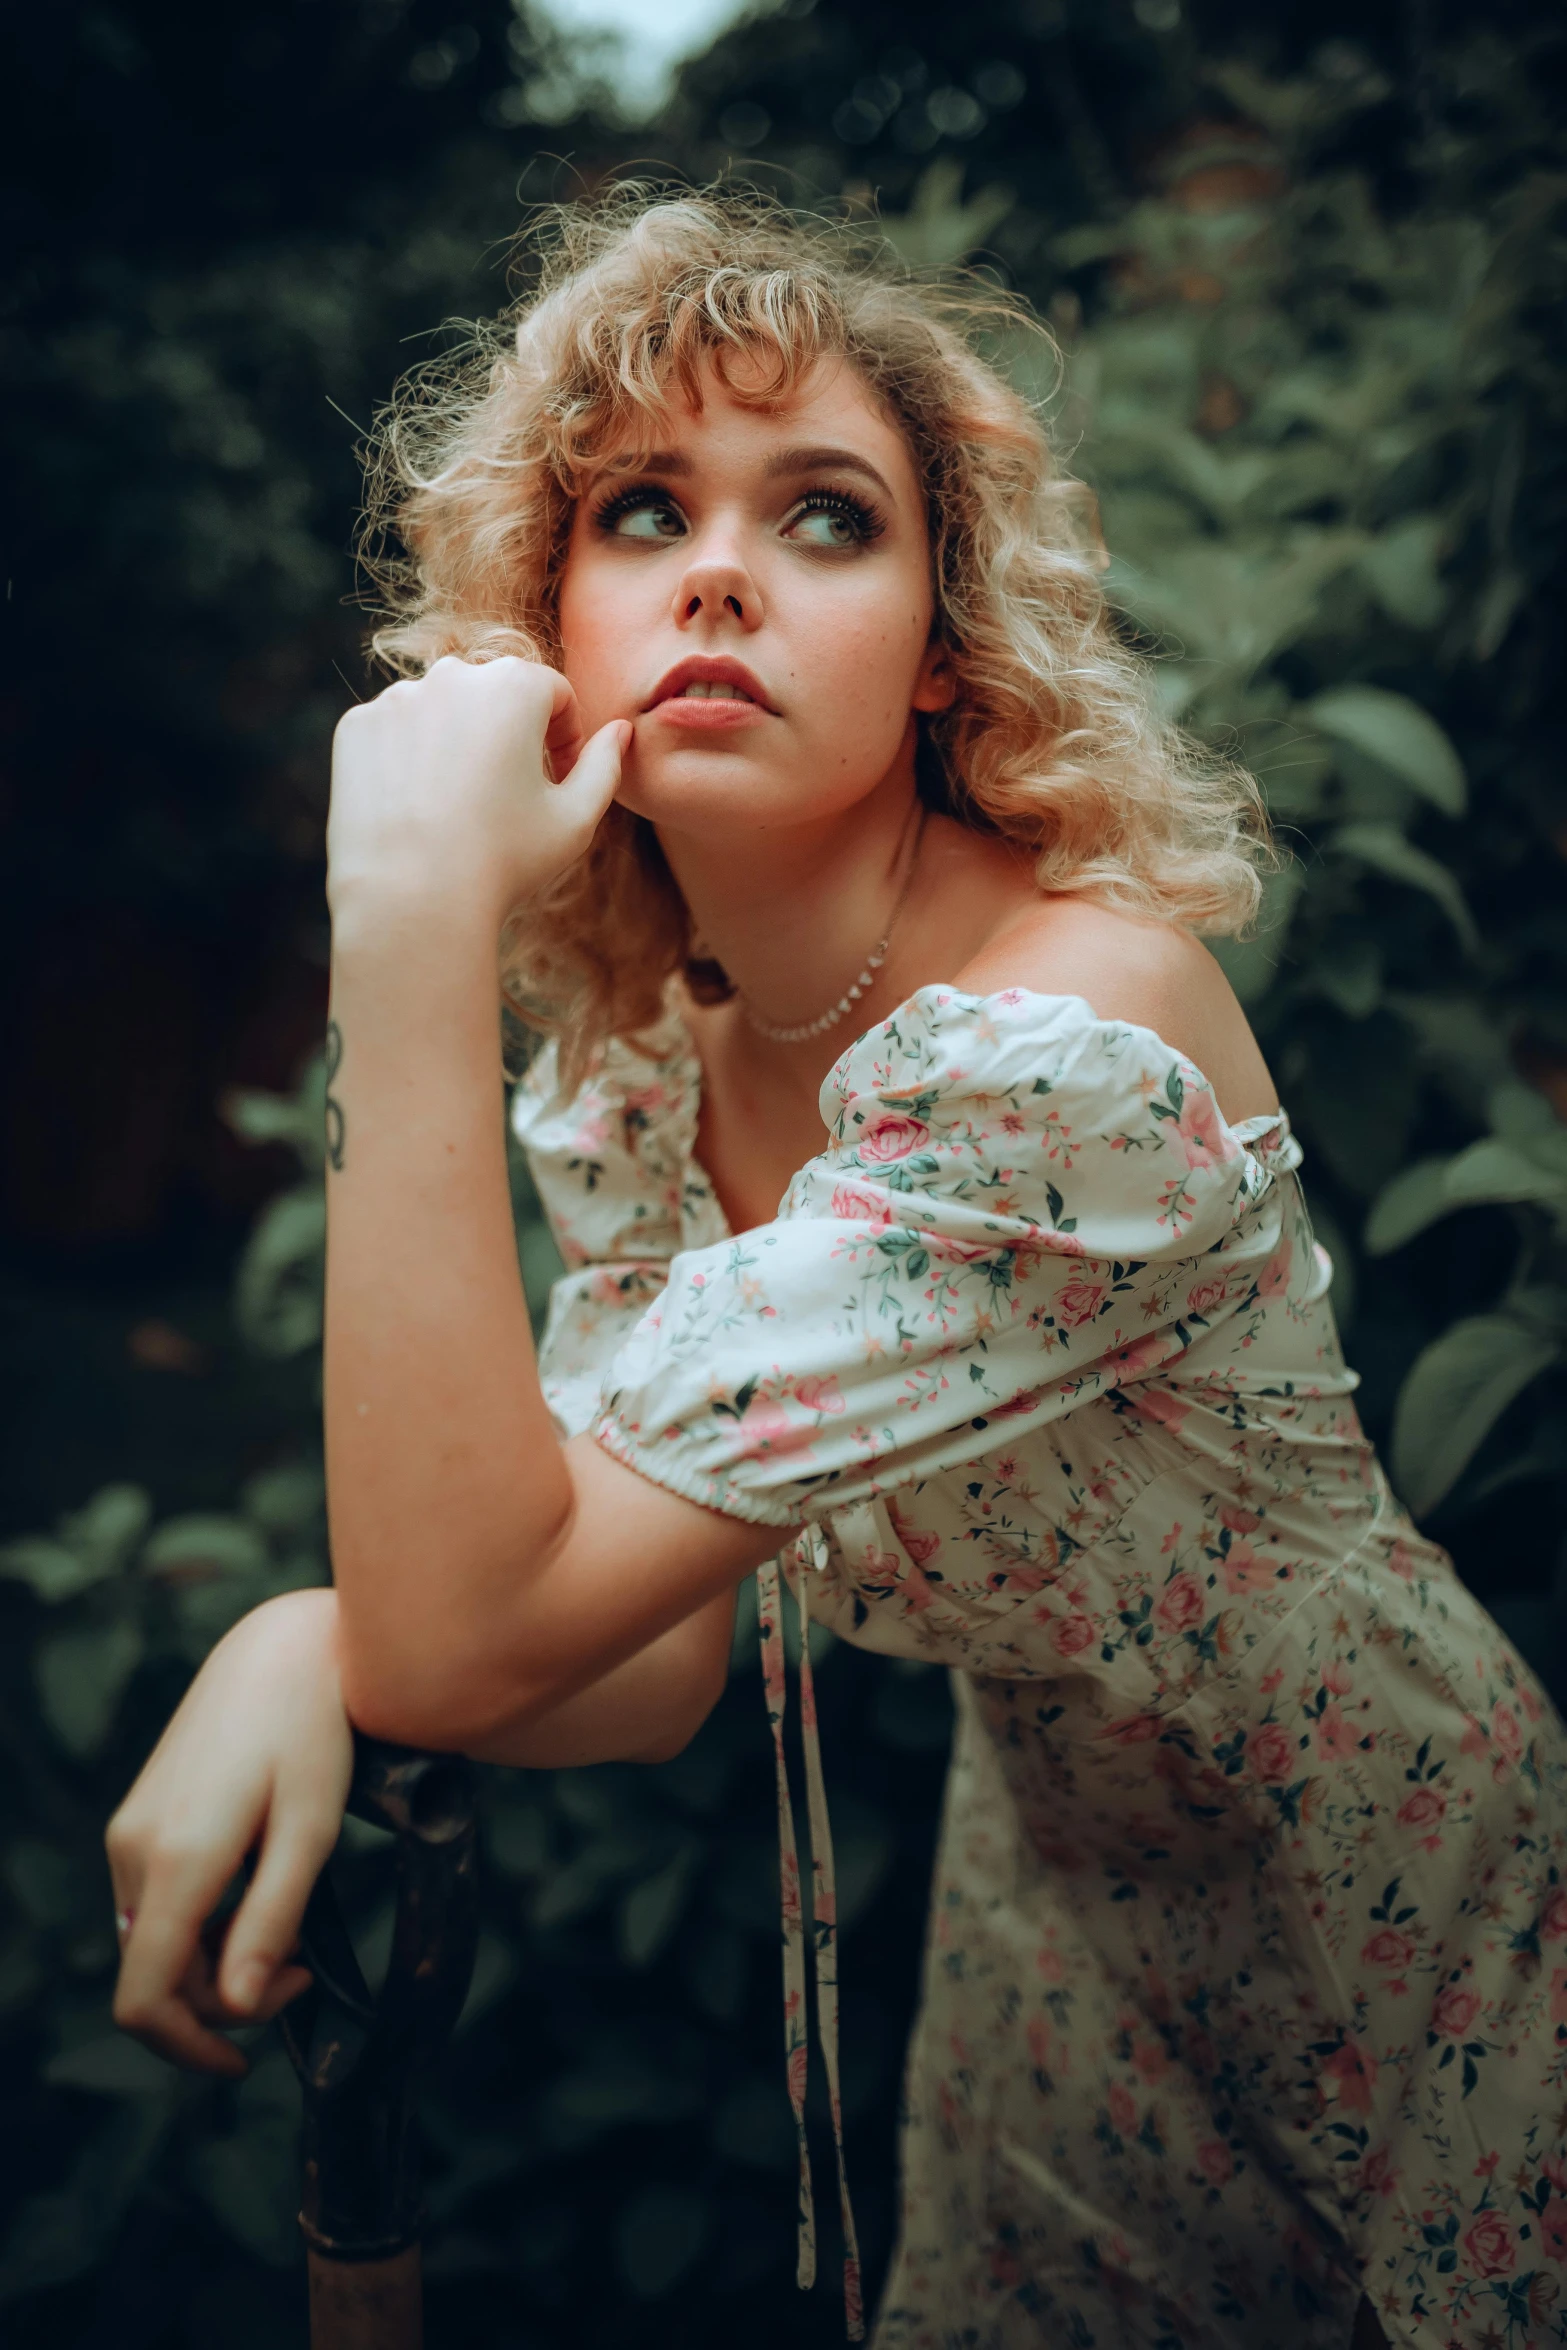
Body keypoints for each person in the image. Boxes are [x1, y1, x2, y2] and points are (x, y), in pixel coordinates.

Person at [105, 187, 1567, 2350]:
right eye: (636, 510)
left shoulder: (1074, 1045)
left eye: (824, 515)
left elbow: (466, 1633)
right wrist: (313, 1626)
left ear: (945, 645)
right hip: (1055, 1935)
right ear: (544, 626)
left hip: (1415, 1904)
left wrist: (400, 935)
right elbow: (620, 1646)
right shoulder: (638, 1075)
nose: (719, 566)